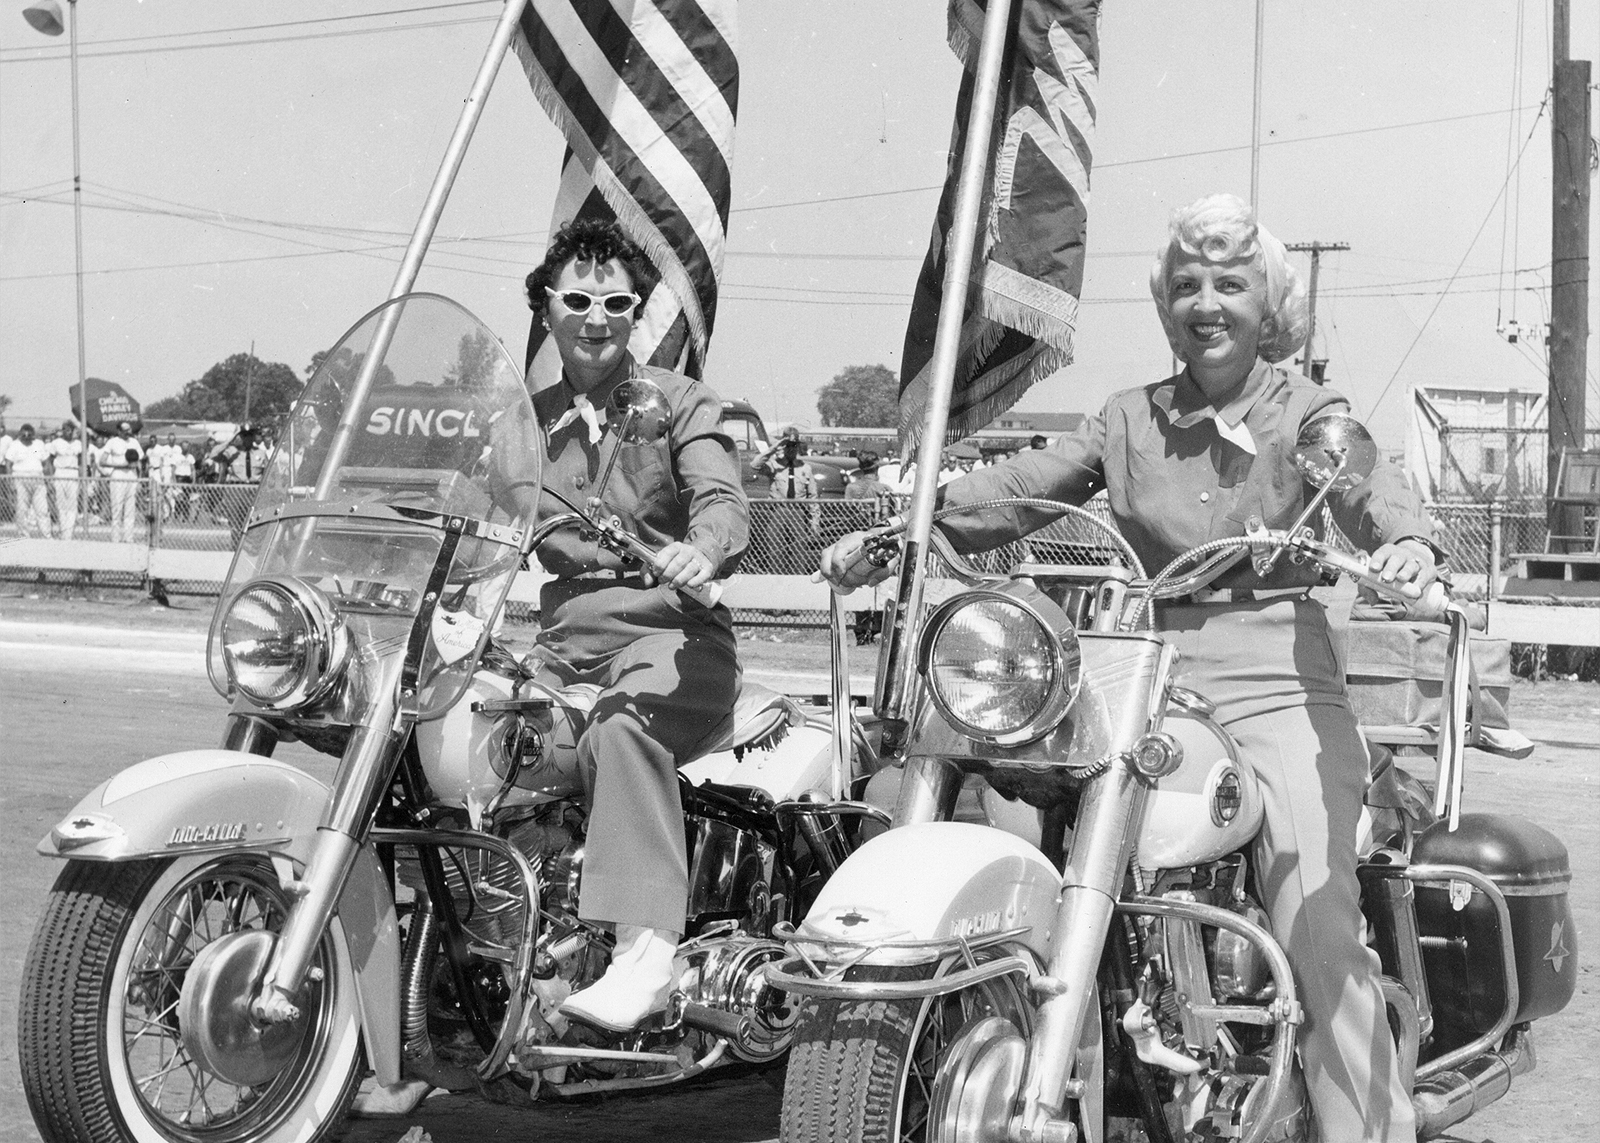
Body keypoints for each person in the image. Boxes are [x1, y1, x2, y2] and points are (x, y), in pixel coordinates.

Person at [819, 194, 1433, 1143]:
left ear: (1267, 302)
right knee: (1024, 807)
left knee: (1314, 913)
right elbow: (1031, 483)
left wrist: (1409, 546)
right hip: (1142, 665)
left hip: (1277, 673)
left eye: (1231, 283)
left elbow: (1361, 482)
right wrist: (915, 523)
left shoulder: (1305, 411)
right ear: (1166, 305)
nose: (1207, 301)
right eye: (1187, 284)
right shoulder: (1129, 417)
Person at [524, 217, 749, 1032]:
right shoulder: (521, 423)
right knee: (474, 737)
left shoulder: (679, 400)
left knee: (619, 730)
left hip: (672, 634)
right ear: (545, 307)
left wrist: (703, 550)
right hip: (562, 647)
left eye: (616, 301)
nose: (596, 318)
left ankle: (646, 952)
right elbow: (463, 512)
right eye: (577, 298)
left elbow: (721, 497)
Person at [4, 424, 53, 537]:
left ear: (33, 434)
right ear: (20, 433)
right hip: (20, 478)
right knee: (22, 509)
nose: (26, 436)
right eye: (24, 433)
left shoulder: (39, 444)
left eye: (29, 433)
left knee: (42, 509)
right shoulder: (15, 445)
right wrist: (10, 480)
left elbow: (46, 462)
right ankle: (23, 535)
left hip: (37, 478)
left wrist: (48, 478)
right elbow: (8, 463)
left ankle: (46, 535)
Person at [100, 422, 144, 542]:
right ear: (119, 431)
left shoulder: (134, 442)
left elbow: (140, 458)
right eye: (125, 431)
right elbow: (102, 461)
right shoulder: (112, 442)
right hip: (118, 474)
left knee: (130, 508)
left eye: (129, 430)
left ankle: (129, 538)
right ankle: (116, 538)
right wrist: (119, 464)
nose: (128, 433)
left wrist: (138, 477)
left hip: (131, 474)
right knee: (117, 508)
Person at [48, 423, 84, 539]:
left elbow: (81, 461)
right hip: (60, 471)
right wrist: (51, 476)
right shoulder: (56, 443)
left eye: (70, 430)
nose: (67, 432)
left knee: (72, 504)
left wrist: (83, 476)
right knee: (61, 504)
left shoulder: (78, 443)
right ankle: (63, 532)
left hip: (73, 472)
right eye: (65, 430)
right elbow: (50, 460)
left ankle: (69, 534)